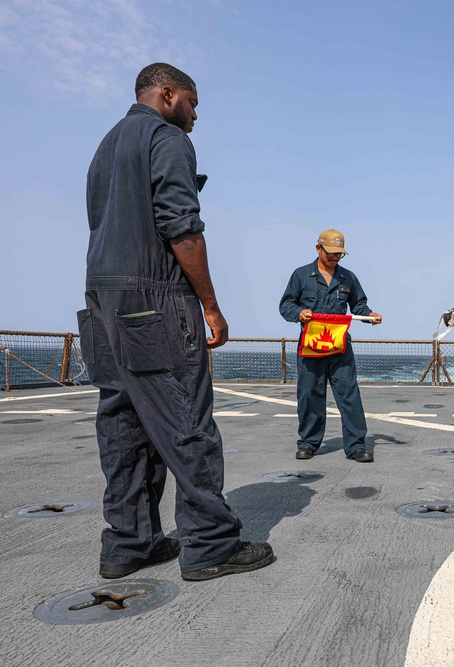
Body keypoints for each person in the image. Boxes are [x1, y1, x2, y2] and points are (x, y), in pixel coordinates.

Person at [78, 63, 274, 582]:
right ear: (168, 95)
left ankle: (129, 543)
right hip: (155, 299)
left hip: (101, 303)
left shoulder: (105, 146)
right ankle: (210, 544)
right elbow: (181, 227)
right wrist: (210, 304)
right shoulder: (165, 138)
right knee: (186, 418)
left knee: (123, 424)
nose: (194, 116)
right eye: (192, 103)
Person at [279, 229, 382, 462]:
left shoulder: (349, 278)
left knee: (349, 395)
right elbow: (286, 305)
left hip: (340, 347)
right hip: (310, 347)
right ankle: (308, 443)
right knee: (309, 395)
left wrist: (370, 316)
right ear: (318, 249)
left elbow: (359, 306)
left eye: (339, 254)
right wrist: (299, 313)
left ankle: (356, 446)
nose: (335, 258)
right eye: (331, 253)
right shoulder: (301, 275)